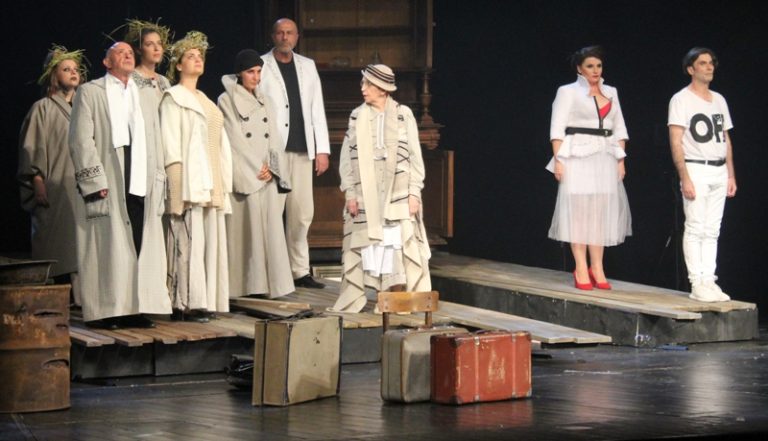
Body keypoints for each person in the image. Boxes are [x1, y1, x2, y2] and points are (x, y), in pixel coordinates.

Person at [68, 41, 171, 329]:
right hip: (109, 172)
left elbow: (155, 137)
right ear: (106, 62)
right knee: (107, 244)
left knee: (138, 241)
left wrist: (159, 178)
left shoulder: (144, 94)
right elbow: (80, 139)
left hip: (140, 174)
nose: (127, 55)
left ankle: (134, 308)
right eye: (119, 52)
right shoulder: (91, 92)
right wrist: (93, 179)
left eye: (129, 52)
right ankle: (106, 311)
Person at [330, 64, 431, 313]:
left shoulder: (403, 115)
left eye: (368, 84)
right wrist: (350, 193)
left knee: (396, 244)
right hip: (367, 194)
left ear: (383, 89)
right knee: (372, 246)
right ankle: (378, 297)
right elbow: (346, 159)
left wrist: (414, 192)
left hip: (397, 193)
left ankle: (395, 299)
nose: (362, 89)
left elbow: (415, 157)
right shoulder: (357, 116)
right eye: (363, 83)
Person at [160, 31, 233, 321]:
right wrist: (176, 185)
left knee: (206, 244)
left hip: (209, 181)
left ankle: (203, 300)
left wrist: (222, 182)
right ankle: (182, 303)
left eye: (199, 56)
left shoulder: (206, 100)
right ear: (178, 65)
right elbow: (170, 144)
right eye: (190, 56)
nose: (197, 59)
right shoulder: (173, 98)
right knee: (186, 241)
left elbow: (219, 144)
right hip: (189, 183)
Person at [546, 45, 631, 291]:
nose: (595, 70)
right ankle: (581, 267)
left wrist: (621, 160)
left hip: (605, 155)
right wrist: (558, 160)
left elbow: (620, 128)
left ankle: (598, 267)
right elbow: (557, 128)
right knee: (580, 212)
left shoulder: (611, 92)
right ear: (579, 69)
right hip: (577, 155)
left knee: (599, 212)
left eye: (599, 66)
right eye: (590, 66)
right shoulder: (568, 91)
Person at [218, 49, 294, 298]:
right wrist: (255, 167)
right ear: (240, 73)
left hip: (266, 174)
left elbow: (275, 136)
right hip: (247, 173)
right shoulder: (227, 99)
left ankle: (271, 285)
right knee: (246, 232)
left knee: (270, 230)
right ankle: (247, 286)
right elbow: (233, 138)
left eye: (259, 71)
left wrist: (272, 166)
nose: (256, 76)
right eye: (251, 71)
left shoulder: (266, 100)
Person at [260, 17, 330, 289]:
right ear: (273, 36)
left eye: (289, 33)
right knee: (273, 212)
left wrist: (322, 149)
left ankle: (299, 270)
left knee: (301, 213)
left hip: (302, 149)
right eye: (280, 33)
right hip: (275, 151)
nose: (284, 37)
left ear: (297, 37)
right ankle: (271, 272)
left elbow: (317, 109)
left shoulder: (307, 65)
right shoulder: (262, 65)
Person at [18, 45, 87, 304]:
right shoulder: (43, 108)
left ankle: (81, 299)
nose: (73, 72)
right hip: (55, 185)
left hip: (81, 185)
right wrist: (37, 180)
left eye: (75, 69)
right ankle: (55, 298)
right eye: (66, 69)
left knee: (81, 243)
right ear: (53, 75)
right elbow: (32, 146)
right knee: (56, 240)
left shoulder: (84, 109)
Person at [668, 47, 736, 302]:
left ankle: (709, 280)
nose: (709, 67)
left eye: (711, 63)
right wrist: (684, 176)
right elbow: (676, 140)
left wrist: (731, 174)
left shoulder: (719, 100)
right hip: (696, 167)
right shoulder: (681, 99)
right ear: (691, 69)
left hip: (719, 169)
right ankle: (697, 282)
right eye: (703, 63)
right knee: (696, 226)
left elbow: (725, 138)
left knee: (713, 229)